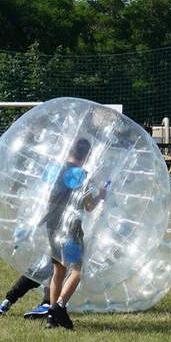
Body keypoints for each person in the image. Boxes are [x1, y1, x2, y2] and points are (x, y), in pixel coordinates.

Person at [38, 137, 108, 330]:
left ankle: (51, 318)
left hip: (52, 224)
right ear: (86, 156)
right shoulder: (83, 176)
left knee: (58, 271)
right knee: (78, 270)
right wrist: (100, 196)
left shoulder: (55, 171)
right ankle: (60, 305)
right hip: (71, 227)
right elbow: (89, 207)